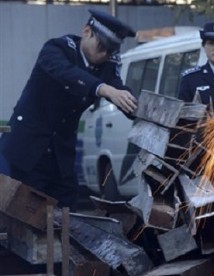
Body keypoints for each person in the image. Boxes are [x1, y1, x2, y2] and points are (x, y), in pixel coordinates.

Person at [0, 9, 137, 210]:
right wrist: (103, 89)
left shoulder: (108, 64)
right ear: (87, 31)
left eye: (111, 51)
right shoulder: (58, 49)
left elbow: (118, 88)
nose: (105, 55)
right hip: (28, 151)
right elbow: (66, 74)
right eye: (102, 47)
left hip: (60, 156)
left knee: (65, 216)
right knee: (25, 217)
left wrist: (135, 105)